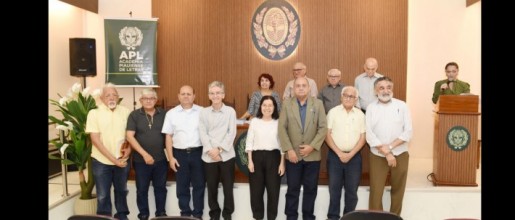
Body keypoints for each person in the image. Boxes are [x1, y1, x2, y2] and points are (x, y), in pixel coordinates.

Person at [279, 76, 327, 220]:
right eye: (297, 86)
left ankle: (308, 216)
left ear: (309, 88)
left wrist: (312, 147)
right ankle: (291, 217)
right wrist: (289, 150)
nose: (300, 88)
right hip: (293, 156)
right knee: (292, 189)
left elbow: (323, 128)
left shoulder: (318, 104)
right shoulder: (287, 104)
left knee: (310, 189)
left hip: (312, 156)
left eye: (303, 85)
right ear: (293, 89)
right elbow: (282, 128)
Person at [366, 76, 413, 216]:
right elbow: (369, 134)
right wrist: (386, 152)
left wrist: (390, 148)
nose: (385, 91)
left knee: (398, 189)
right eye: (381, 88)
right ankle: (376, 218)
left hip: (400, 153)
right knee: (376, 191)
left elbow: (408, 132)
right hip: (378, 155)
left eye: (388, 87)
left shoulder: (402, 105)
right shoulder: (371, 107)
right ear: (375, 91)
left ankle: (395, 217)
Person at [86, 83, 132, 220]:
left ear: (118, 97)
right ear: (101, 98)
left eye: (114, 95)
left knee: (122, 191)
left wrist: (129, 149)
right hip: (101, 162)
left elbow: (130, 136)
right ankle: (104, 217)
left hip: (122, 160)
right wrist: (113, 160)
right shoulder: (93, 113)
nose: (111, 98)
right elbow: (95, 139)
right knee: (102, 194)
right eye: (107, 95)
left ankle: (122, 216)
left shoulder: (126, 111)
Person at [162, 85, 205, 219]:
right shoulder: (171, 113)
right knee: (182, 187)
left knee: (199, 186)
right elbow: (168, 137)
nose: (186, 96)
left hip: (198, 153)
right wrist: (170, 158)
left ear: (194, 96)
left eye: (189, 94)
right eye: (183, 94)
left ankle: (198, 215)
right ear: (178, 96)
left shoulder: (203, 112)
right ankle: (185, 214)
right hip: (179, 155)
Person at [126, 88, 168, 220]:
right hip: (141, 160)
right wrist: (145, 155)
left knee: (160, 189)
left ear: (156, 100)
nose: (148, 101)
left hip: (161, 159)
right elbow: (130, 136)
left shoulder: (164, 114)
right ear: (140, 100)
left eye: (151, 98)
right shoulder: (134, 115)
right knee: (142, 190)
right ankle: (143, 215)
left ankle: (160, 214)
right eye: (145, 98)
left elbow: (170, 136)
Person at [325, 86, 366, 220]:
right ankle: (332, 217)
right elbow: (327, 135)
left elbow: (363, 137)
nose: (348, 98)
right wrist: (339, 153)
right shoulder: (333, 112)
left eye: (352, 96)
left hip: (354, 158)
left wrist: (350, 154)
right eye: (346, 96)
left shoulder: (360, 114)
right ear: (341, 97)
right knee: (334, 191)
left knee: (352, 192)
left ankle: (349, 218)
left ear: (356, 99)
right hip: (335, 157)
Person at [199, 81, 237, 220]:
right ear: (209, 95)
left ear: (223, 95)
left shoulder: (230, 111)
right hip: (209, 157)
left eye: (218, 93)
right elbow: (202, 133)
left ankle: (227, 215)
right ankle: (214, 214)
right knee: (212, 188)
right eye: (212, 93)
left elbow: (231, 133)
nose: (215, 95)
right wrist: (211, 151)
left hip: (226, 156)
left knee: (228, 189)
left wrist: (219, 149)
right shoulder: (204, 112)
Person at [246, 96, 285, 220]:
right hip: (256, 158)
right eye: (264, 105)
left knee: (273, 192)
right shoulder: (254, 121)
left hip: (274, 158)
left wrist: (282, 163)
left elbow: (282, 144)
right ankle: (258, 217)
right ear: (260, 107)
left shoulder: (279, 122)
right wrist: (250, 161)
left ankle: (271, 218)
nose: (267, 108)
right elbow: (249, 142)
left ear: (274, 108)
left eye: (270, 105)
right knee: (256, 192)